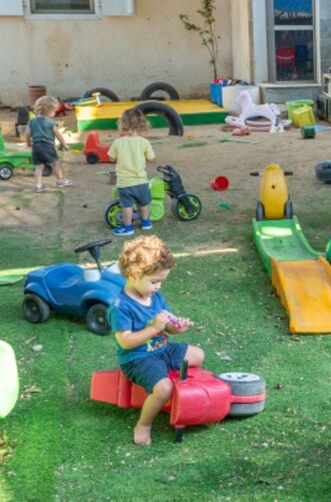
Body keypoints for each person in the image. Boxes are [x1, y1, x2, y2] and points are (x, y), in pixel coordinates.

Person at [108, 235, 204, 445]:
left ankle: (182, 398)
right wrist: (153, 328)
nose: (158, 286)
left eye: (161, 281)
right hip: (138, 359)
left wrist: (177, 327)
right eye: (154, 281)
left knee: (197, 355)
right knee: (163, 388)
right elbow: (125, 342)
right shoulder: (120, 306)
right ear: (133, 274)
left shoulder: (155, 295)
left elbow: (168, 327)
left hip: (162, 349)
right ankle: (144, 424)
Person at [107, 108, 155, 236]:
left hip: (125, 182)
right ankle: (146, 223)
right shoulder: (145, 142)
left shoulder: (118, 142)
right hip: (141, 180)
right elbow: (151, 158)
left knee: (127, 205)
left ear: (123, 123)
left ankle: (127, 227)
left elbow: (111, 158)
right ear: (142, 123)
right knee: (143, 203)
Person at [25, 95, 72, 193]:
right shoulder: (51, 122)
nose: (55, 113)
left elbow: (27, 134)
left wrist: (28, 143)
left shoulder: (32, 121)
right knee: (56, 163)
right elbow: (58, 134)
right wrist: (64, 144)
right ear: (48, 112)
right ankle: (60, 181)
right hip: (47, 146)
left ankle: (38, 185)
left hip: (36, 147)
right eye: (54, 111)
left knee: (39, 166)